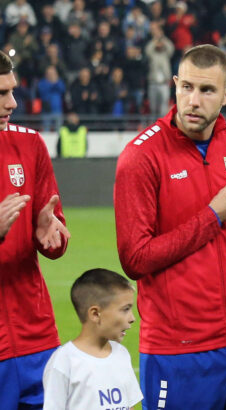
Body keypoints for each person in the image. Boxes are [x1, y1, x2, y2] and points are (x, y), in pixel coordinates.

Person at [114, 44, 226, 409]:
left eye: (207, 90)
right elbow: (135, 259)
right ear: (174, 84)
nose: (193, 100)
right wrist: (212, 216)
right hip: (178, 352)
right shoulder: (141, 157)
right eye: (186, 87)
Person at [0, 49, 70, 409]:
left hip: (37, 337)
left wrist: (51, 237)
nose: (12, 102)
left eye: (12, 90)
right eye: (1, 93)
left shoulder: (29, 144)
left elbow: (55, 233)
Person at [42, 268, 143, 409]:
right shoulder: (64, 362)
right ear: (95, 314)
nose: (132, 318)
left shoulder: (122, 354)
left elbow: (129, 405)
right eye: (125, 309)